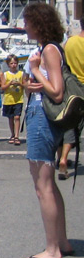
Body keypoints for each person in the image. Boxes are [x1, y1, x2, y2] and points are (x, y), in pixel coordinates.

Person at [21, 2, 73, 258]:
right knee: (49, 185)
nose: (24, 26)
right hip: (41, 116)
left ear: (38, 23)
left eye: (28, 22)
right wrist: (31, 85)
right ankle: (61, 241)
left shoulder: (49, 50)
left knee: (43, 186)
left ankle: (52, 249)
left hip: (42, 119)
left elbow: (57, 91)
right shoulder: (48, 49)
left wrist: (35, 70)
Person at [56, 17, 84, 180]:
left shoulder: (70, 43)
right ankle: (65, 158)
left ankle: (62, 157)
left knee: (69, 123)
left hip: (71, 86)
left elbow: (62, 64)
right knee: (77, 127)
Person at [1, 54, 25, 145]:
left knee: (17, 117)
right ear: (8, 64)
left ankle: (17, 136)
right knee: (10, 118)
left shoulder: (21, 74)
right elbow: (3, 87)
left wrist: (19, 84)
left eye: (15, 63)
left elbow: (25, 85)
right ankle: (12, 134)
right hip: (8, 99)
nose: (13, 65)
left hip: (18, 99)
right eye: (11, 63)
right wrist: (9, 84)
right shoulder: (6, 74)